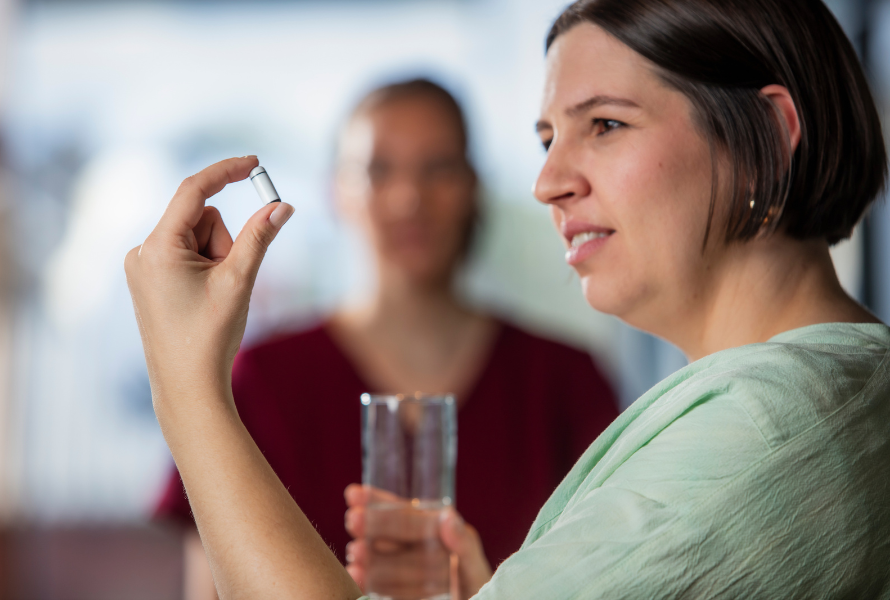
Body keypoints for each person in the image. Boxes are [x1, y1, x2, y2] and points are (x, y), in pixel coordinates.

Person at [124, 0, 890, 597]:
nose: (549, 182)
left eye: (607, 125)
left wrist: (184, 381)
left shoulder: (770, 427)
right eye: (547, 138)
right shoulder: (833, 395)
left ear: (765, 130)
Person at [153, 79, 618, 597]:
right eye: (379, 169)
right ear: (336, 190)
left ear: (472, 187)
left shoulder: (565, 382)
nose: (408, 198)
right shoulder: (260, 380)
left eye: (437, 168)